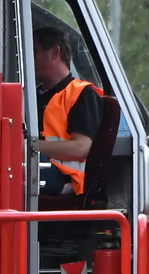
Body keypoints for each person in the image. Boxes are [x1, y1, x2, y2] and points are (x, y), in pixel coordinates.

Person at [33, 26, 103, 196]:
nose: (29, 58)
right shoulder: (34, 97)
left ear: (55, 53)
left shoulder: (81, 93)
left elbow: (82, 148)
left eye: (34, 52)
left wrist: (32, 147)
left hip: (67, 179)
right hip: (41, 169)